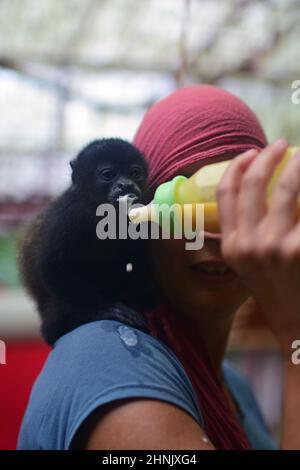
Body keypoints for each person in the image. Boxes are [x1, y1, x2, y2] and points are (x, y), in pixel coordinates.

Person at [18, 85, 300, 450]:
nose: (207, 232)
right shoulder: (111, 366)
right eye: (182, 203)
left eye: (236, 198)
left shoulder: (234, 385)